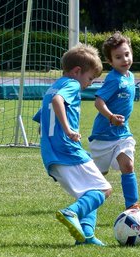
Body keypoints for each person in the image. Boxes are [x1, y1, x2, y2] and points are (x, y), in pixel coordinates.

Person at [32, 44, 112, 246]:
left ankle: (86, 236)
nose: (88, 83)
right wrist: (68, 129)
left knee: (89, 192)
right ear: (77, 71)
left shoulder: (54, 86)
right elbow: (59, 101)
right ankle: (71, 212)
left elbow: (43, 118)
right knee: (103, 190)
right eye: (90, 78)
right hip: (67, 148)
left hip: (51, 153)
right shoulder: (71, 84)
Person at [89, 32, 140, 210]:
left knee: (127, 165)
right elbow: (99, 102)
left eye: (127, 54)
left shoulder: (130, 76)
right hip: (103, 136)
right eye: (118, 57)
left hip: (123, 134)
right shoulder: (113, 79)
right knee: (98, 175)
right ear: (110, 62)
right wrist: (111, 117)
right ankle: (85, 201)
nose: (124, 59)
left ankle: (132, 205)